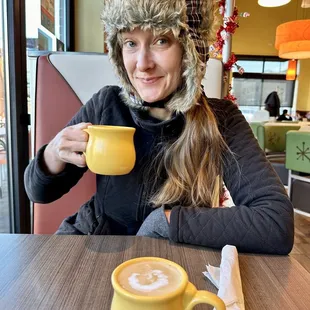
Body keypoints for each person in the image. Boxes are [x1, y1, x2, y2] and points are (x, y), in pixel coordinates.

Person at [24, 0, 294, 254]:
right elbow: (38, 193)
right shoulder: (107, 104)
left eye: (161, 40)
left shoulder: (222, 120)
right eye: (130, 43)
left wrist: (164, 222)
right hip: (91, 247)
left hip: (170, 264)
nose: (142, 64)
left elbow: (275, 222)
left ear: (189, 50)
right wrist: (53, 154)